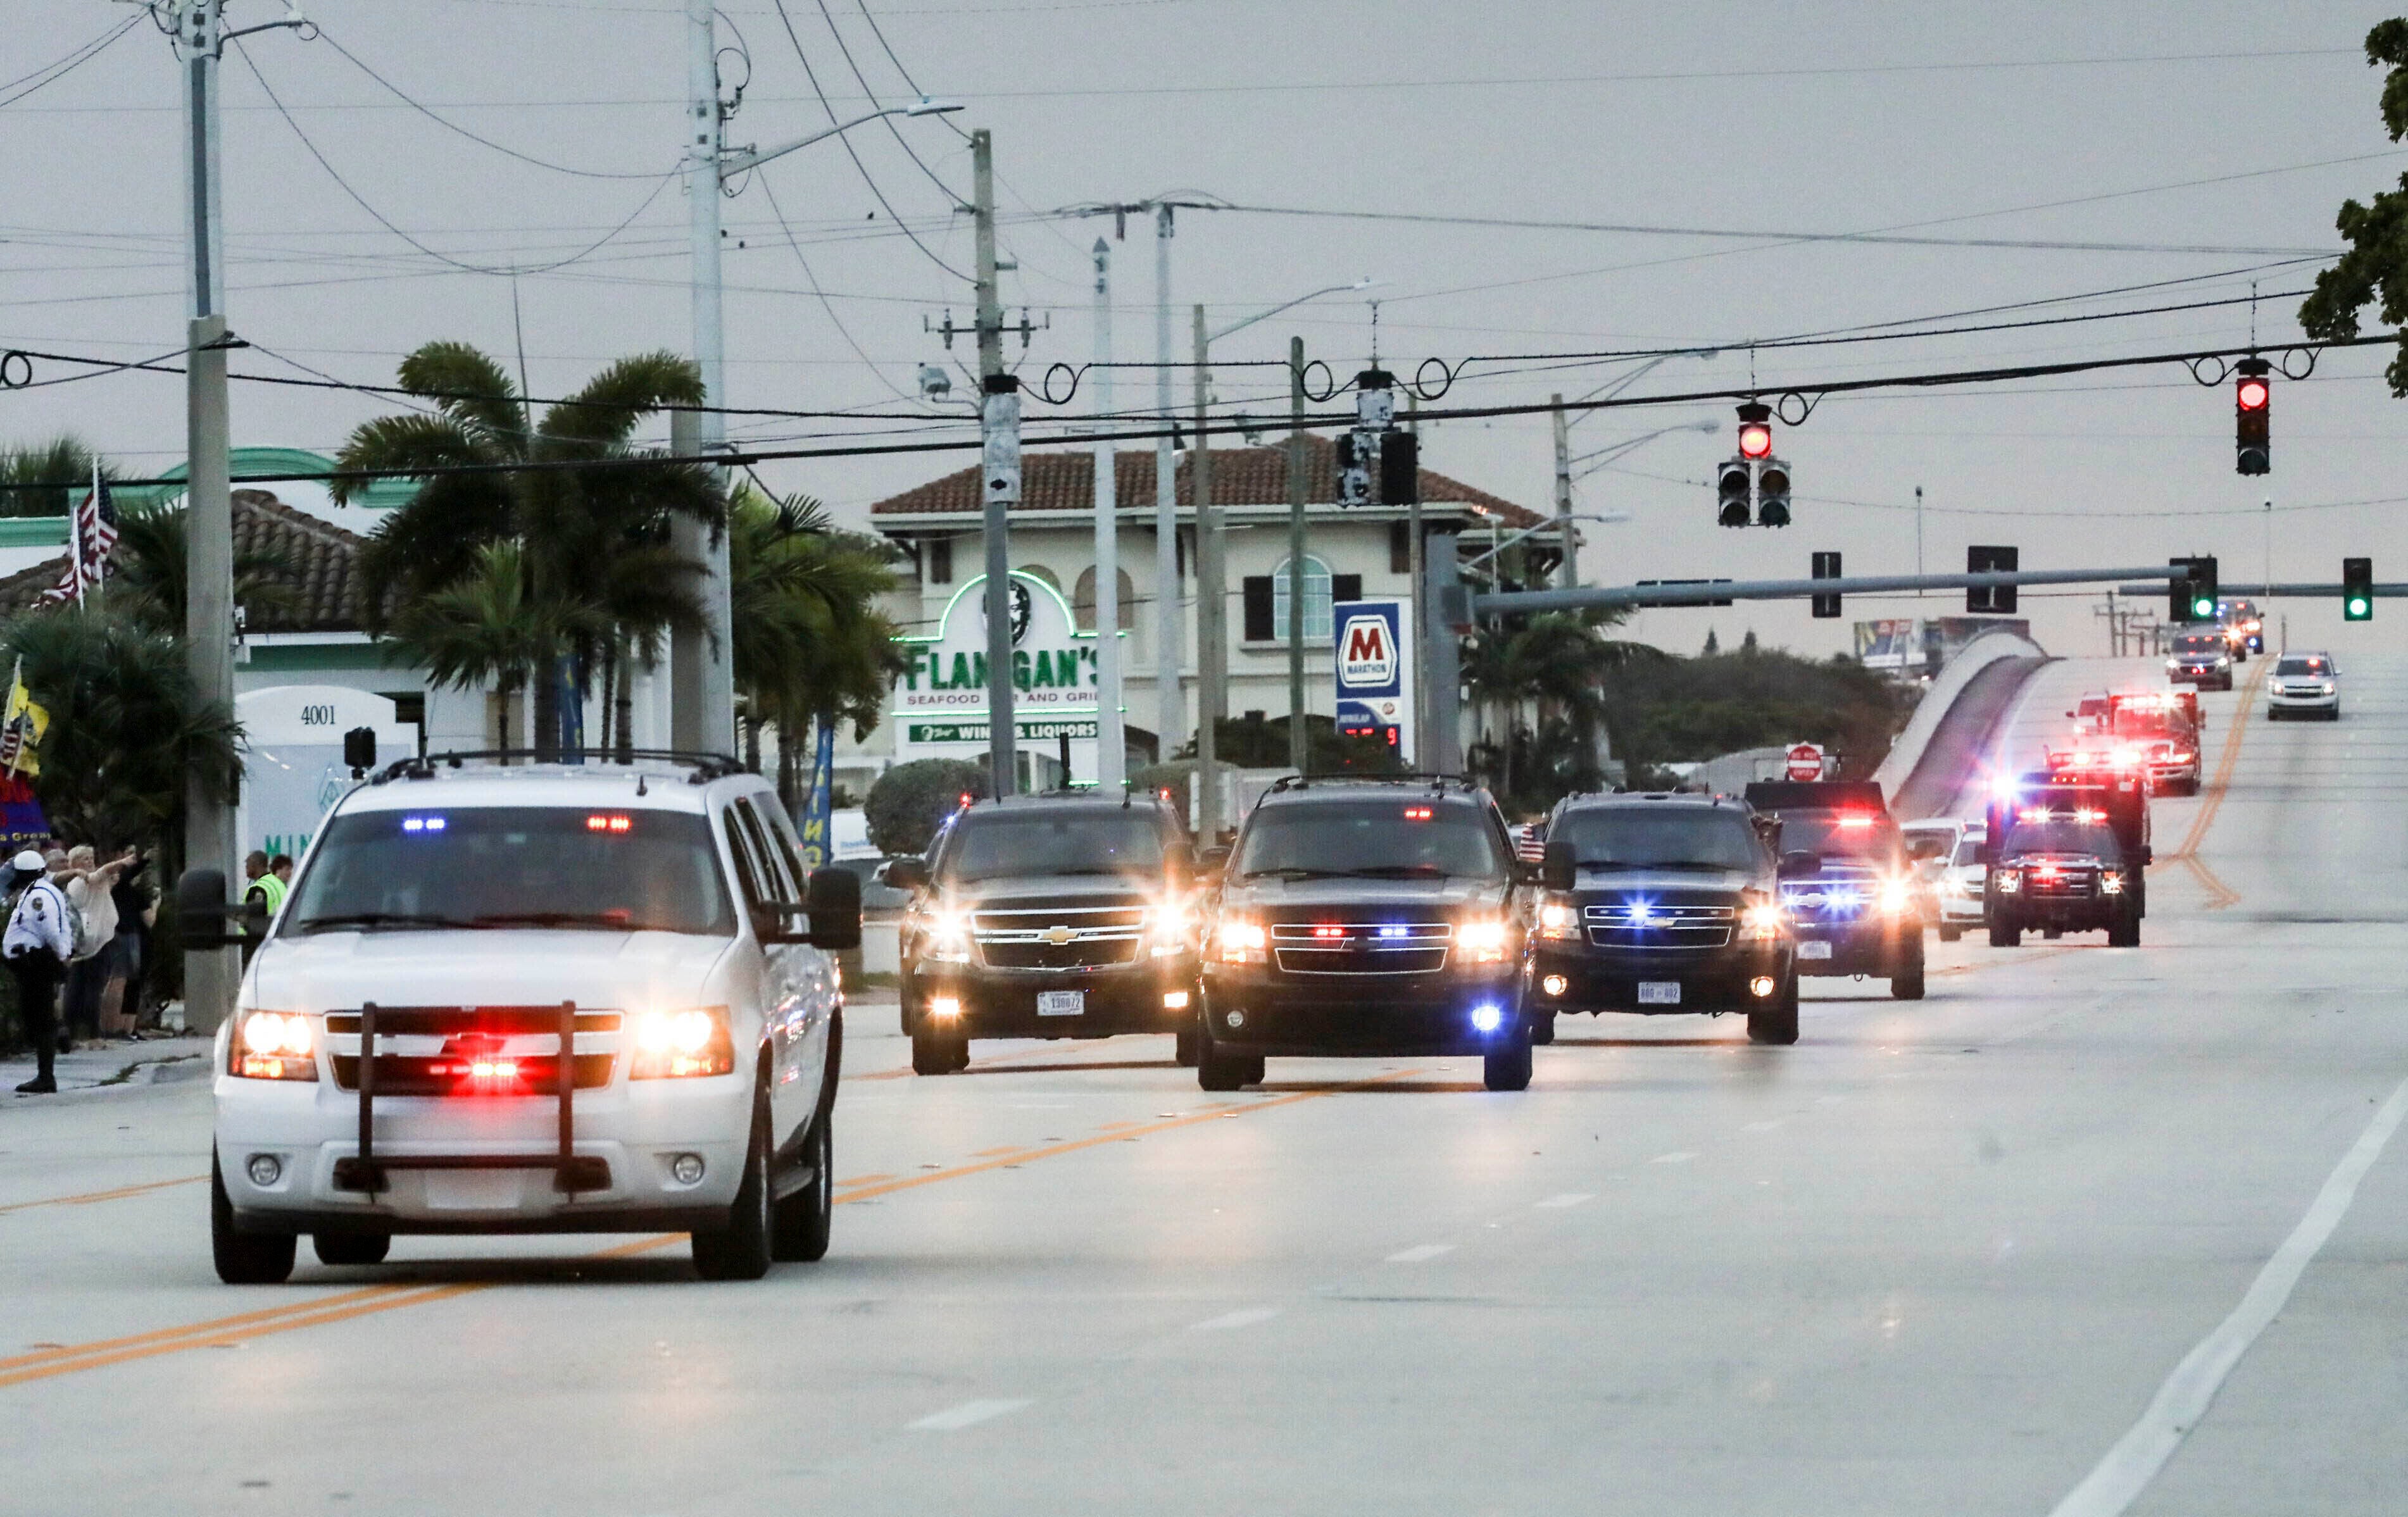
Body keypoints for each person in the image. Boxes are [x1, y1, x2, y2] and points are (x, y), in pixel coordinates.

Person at [6, 849, 74, 1094]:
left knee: (41, 1019)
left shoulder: (39, 897)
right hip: (32, 963)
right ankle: (57, 1036)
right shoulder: (37, 892)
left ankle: (46, 1077)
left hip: (38, 963)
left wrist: (60, 956)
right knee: (36, 1017)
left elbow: (51, 932)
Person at [60, 845, 133, 1043]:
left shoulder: (88, 882)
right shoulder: (81, 881)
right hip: (95, 944)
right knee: (91, 988)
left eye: (91, 857)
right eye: (84, 859)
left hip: (92, 941)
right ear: (73, 864)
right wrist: (122, 863)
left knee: (78, 986)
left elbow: (101, 887)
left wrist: (110, 882)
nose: (90, 861)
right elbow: (100, 874)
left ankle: (73, 1033)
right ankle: (92, 1035)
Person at [100, 853, 154, 1037]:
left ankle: (124, 1028)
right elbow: (149, 920)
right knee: (118, 980)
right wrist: (144, 859)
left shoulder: (129, 892)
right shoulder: (117, 889)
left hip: (128, 934)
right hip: (122, 934)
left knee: (128, 982)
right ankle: (114, 1028)